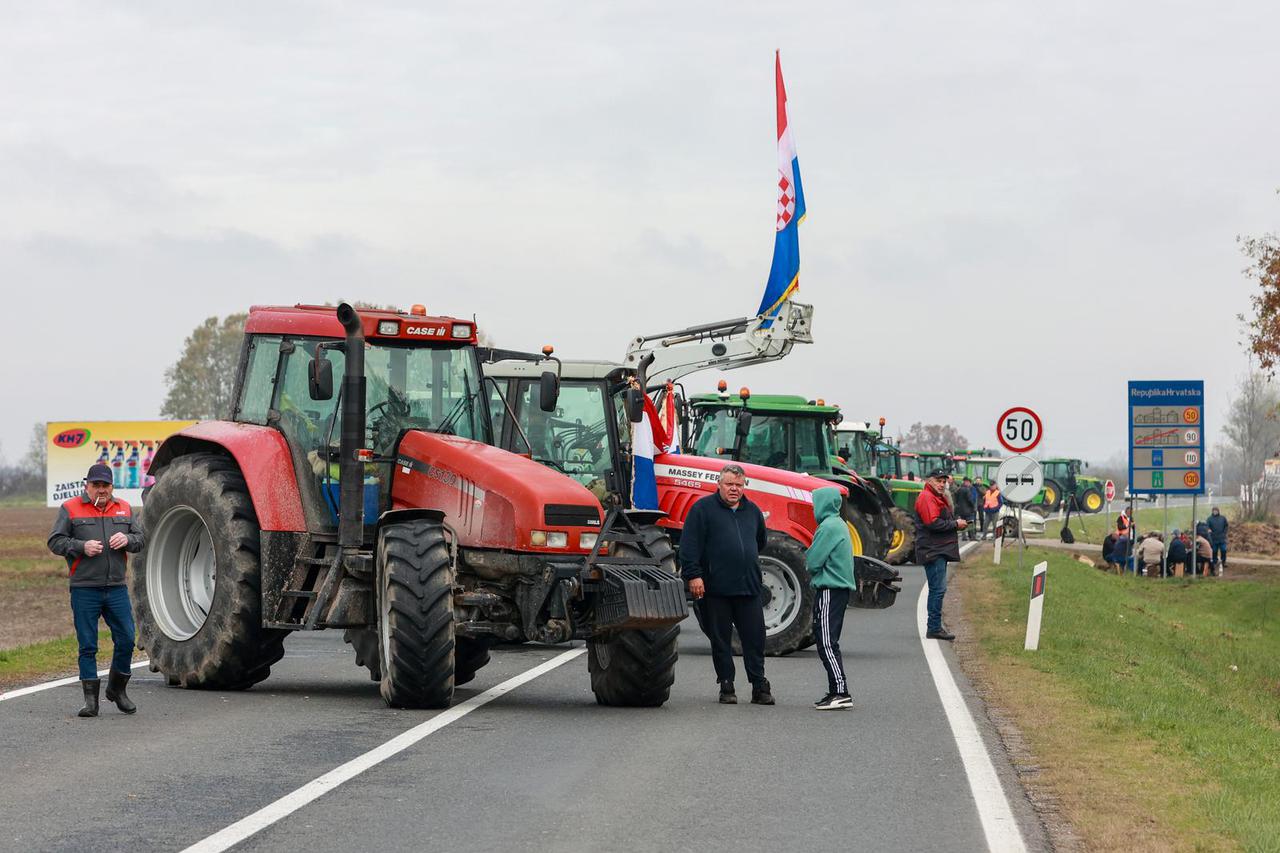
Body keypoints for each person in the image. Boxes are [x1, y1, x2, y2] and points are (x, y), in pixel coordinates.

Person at [47, 463, 145, 717]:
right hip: (84, 589)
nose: (101, 490)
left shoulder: (123, 508)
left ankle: (117, 690)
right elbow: (55, 541)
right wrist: (81, 546)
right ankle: (91, 701)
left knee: (126, 638)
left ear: (112, 486)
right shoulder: (70, 508)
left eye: (105, 485)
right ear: (87, 485)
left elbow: (140, 539)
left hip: (116, 588)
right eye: (96, 485)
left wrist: (128, 539)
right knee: (87, 645)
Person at [681, 463, 773, 706]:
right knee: (720, 639)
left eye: (739, 485)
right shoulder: (702, 510)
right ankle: (726, 684)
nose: (734, 489)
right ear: (719, 485)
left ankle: (759, 685)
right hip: (716, 589)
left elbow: (760, 541)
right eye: (730, 484)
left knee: (755, 638)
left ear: (744, 486)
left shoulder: (752, 511)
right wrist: (694, 575)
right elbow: (689, 546)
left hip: (749, 587)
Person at [805, 487, 855, 710]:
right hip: (839, 591)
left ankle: (841, 691)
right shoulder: (840, 524)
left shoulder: (827, 527)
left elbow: (813, 561)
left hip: (829, 589)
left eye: (816, 503)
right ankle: (836, 690)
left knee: (825, 642)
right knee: (829, 640)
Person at [914, 469, 967, 640]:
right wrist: (955, 525)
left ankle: (935, 626)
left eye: (944, 481)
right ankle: (934, 627)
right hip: (933, 550)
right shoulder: (927, 497)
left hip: (937, 549)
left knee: (938, 589)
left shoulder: (935, 497)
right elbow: (933, 523)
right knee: (938, 589)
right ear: (929, 481)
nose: (942, 484)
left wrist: (955, 523)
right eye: (939, 480)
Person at [952, 477, 978, 541]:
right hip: (968, 510)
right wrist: (973, 507)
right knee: (970, 523)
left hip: (961, 510)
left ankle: (964, 537)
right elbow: (970, 500)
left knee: (963, 523)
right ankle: (972, 537)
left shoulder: (958, 490)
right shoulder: (967, 490)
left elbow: (956, 500)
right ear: (966, 482)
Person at [1207, 507, 1229, 575]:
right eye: (1214, 511)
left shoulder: (1223, 518)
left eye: (1216, 511)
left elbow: (1226, 525)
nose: (1215, 512)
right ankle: (1214, 562)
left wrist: (1224, 533)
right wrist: (1209, 530)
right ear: (1212, 511)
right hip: (1214, 538)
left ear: (1218, 511)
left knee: (1224, 550)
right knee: (1214, 551)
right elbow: (1207, 527)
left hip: (1222, 538)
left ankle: (1223, 561)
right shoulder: (1209, 519)